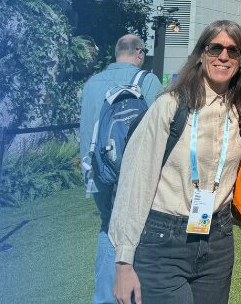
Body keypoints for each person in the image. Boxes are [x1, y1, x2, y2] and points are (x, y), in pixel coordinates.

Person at [110, 20, 241, 304]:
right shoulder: (171, 104)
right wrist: (123, 261)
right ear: (202, 54)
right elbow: (135, 180)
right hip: (164, 240)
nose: (223, 56)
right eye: (215, 48)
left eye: (233, 50)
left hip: (217, 241)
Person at [79, 34, 162, 304]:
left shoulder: (91, 84)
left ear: (117, 53)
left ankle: (104, 298)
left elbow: (86, 136)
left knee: (108, 228)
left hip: (101, 175)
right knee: (138, 229)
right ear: (139, 53)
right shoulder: (147, 81)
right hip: (135, 176)